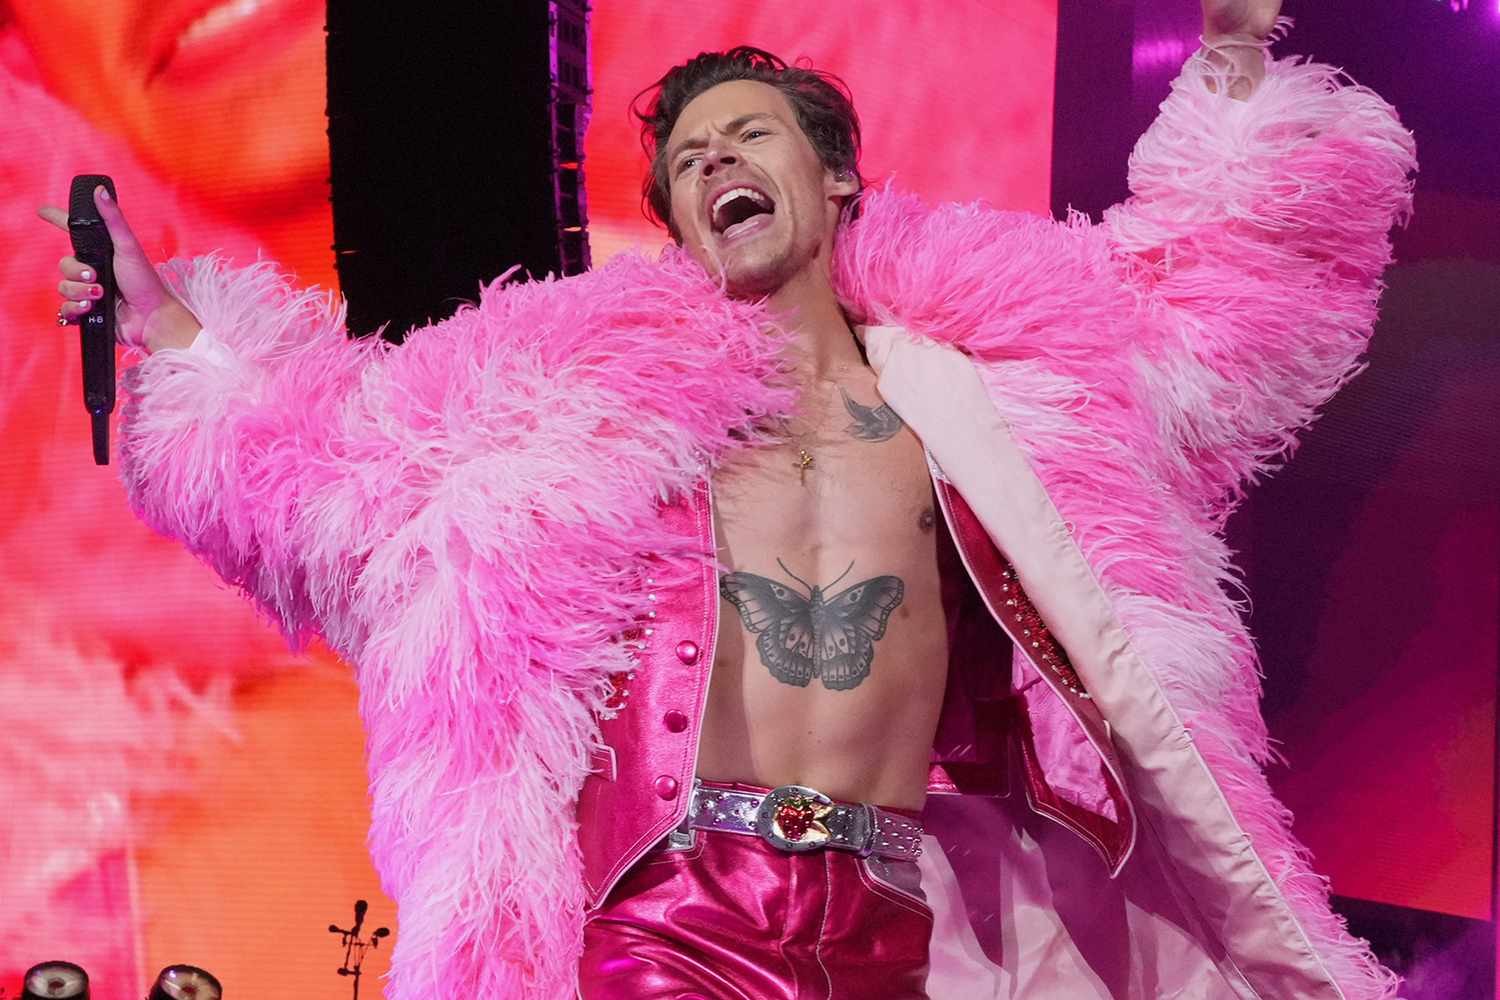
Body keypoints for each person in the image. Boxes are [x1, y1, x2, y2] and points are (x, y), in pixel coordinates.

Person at [39, 1, 1418, 996]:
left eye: (744, 137)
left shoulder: (985, 400)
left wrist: (1232, 66)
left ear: (835, 177)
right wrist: (173, 329)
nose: (712, 169)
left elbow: (1191, 318)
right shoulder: (587, 413)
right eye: (688, 162)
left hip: (890, 918)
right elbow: (344, 468)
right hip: (675, 921)